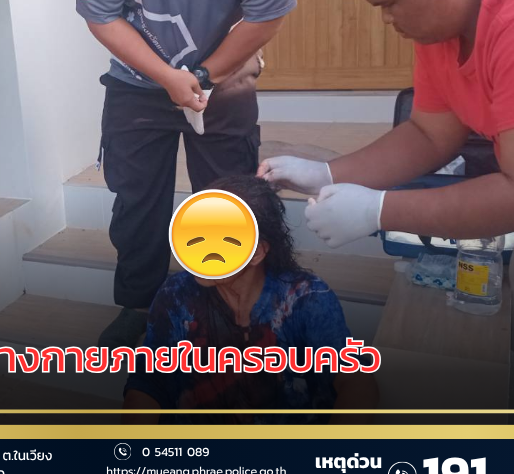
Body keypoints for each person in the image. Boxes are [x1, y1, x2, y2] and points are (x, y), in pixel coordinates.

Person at [259, 0, 514, 397]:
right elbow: (429, 134)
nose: (387, 20)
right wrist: (326, 174)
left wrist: (379, 211)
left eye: (391, 3)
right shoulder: (444, 21)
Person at [75, 0, 296, 348]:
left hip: (224, 78)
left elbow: (266, 14)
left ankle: (226, 307)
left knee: (226, 200)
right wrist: (167, 77)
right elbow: (102, 16)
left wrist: (203, 74)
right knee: (136, 200)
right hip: (137, 82)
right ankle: (139, 305)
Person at [122, 176, 378, 424]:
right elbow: (149, 382)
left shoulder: (305, 299)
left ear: (257, 252)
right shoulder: (175, 294)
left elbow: (357, 382)